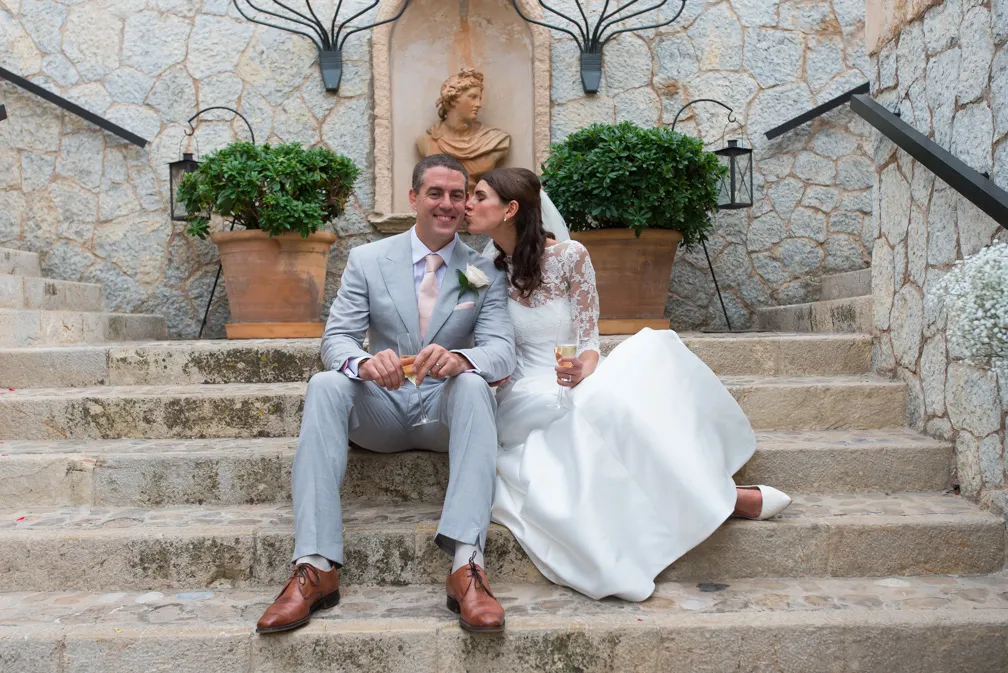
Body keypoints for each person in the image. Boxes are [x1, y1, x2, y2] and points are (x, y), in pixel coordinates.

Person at [464, 167, 793, 602]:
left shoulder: (570, 256)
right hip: (520, 391)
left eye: (478, 196)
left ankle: (716, 493)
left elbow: (589, 338)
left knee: (629, 376)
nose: (467, 204)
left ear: (510, 210)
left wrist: (584, 368)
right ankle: (725, 497)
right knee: (584, 414)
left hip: (572, 376)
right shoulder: (479, 272)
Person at [256, 154, 516, 634]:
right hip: (383, 407)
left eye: (458, 195)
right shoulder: (368, 260)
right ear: (414, 198)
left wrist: (463, 360)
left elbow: (502, 350)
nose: (448, 204)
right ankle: (315, 565)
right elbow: (336, 340)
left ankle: (467, 566)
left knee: (477, 384)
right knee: (327, 383)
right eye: (436, 193)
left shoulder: (484, 272)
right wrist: (363, 362)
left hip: (444, 409)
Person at [416, 68, 510, 189]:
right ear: (453, 99)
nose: (478, 104)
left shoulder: (495, 141)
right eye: (473, 97)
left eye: (479, 98)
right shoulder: (427, 142)